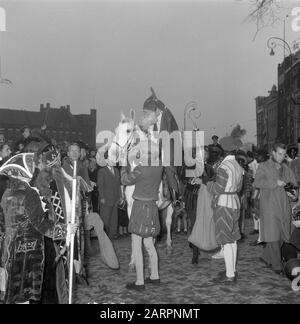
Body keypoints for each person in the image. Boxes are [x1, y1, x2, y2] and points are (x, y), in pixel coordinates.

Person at [0, 151, 77, 304]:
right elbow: (41, 224)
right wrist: (66, 229)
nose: (34, 167)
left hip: (9, 250)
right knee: (25, 294)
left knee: (13, 294)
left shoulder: (7, 193)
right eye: (32, 166)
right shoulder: (29, 194)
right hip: (28, 252)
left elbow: (2, 223)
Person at [121, 140, 162, 291]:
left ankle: (139, 282)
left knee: (136, 245)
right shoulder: (159, 167)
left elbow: (124, 180)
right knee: (150, 244)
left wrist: (124, 166)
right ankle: (155, 276)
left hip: (140, 207)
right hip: (152, 207)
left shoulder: (140, 169)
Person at [253, 143, 297, 275]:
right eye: (279, 154)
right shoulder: (263, 166)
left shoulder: (286, 168)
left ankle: (266, 257)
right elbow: (257, 183)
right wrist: (274, 183)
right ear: (273, 152)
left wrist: (293, 193)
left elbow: (293, 186)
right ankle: (277, 266)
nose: (282, 157)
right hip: (269, 206)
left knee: (285, 234)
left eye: (284, 154)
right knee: (273, 235)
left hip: (284, 205)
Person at [207, 136, 244, 284]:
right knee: (233, 239)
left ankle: (229, 275)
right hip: (235, 203)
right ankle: (232, 270)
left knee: (226, 241)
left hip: (224, 205)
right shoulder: (237, 166)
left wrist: (207, 183)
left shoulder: (224, 167)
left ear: (222, 150)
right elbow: (239, 188)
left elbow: (217, 189)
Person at [97, 151, 121, 240]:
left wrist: (120, 197)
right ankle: (104, 237)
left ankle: (112, 235)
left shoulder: (117, 170)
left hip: (115, 198)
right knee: (105, 219)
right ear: (106, 160)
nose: (114, 160)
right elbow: (100, 185)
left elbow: (119, 185)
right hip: (106, 199)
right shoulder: (102, 171)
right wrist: (102, 197)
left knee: (114, 219)